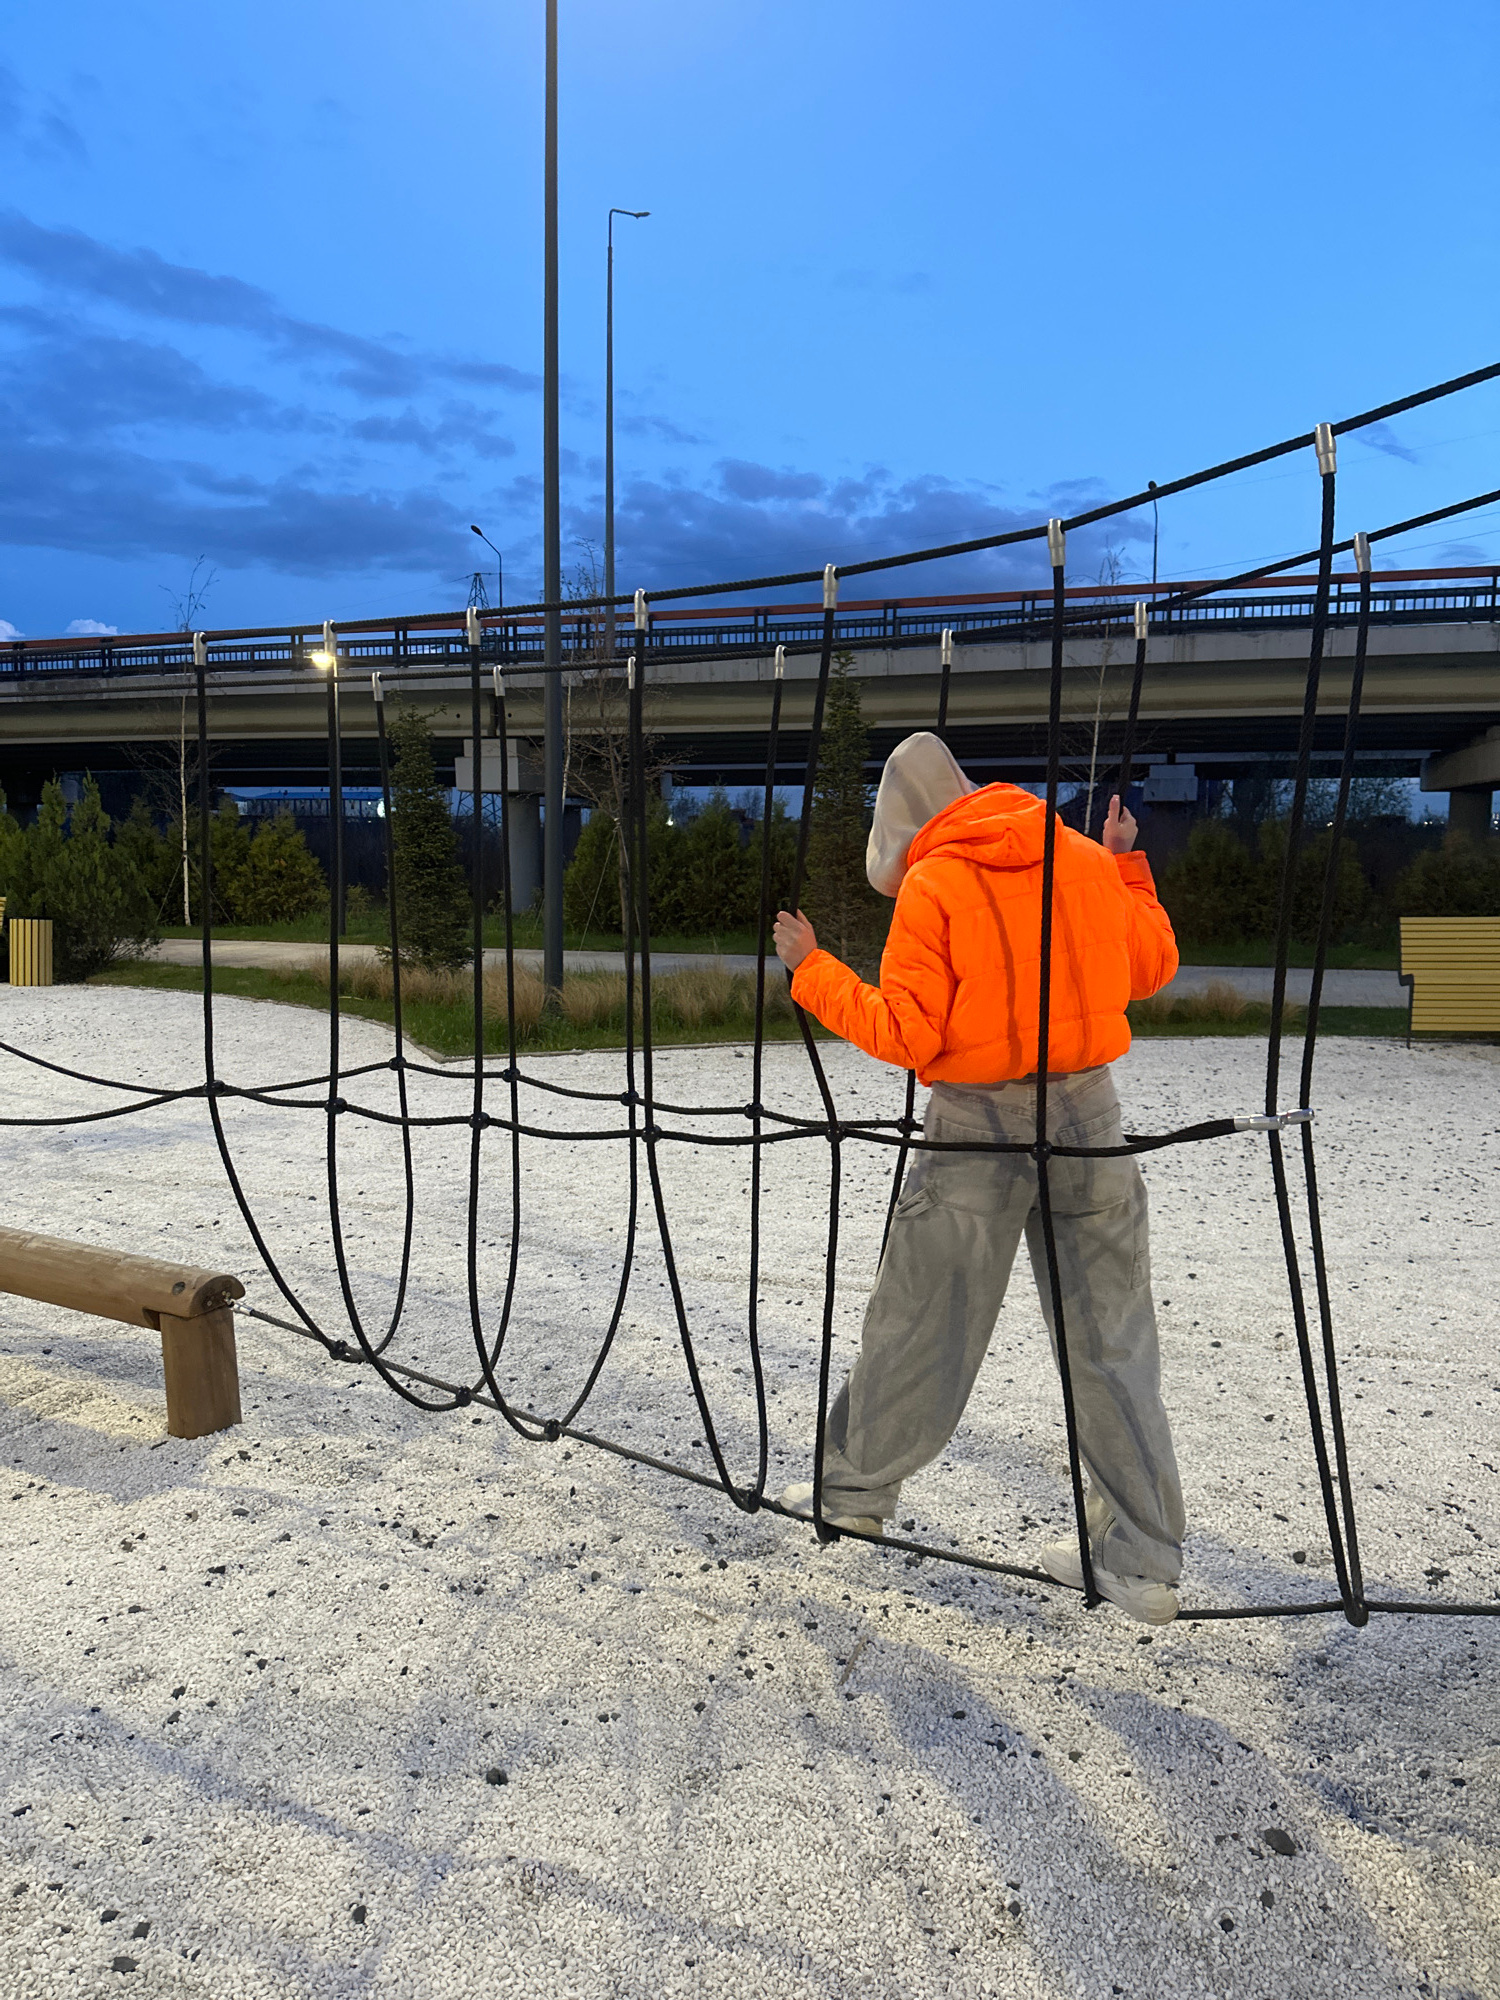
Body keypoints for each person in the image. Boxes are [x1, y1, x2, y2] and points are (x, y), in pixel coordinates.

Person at [772, 732, 1185, 1624]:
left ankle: (853, 1495)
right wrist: (1125, 864)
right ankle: (1144, 1558)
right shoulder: (1081, 859)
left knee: (923, 1318)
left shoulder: (935, 883)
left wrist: (813, 970)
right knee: (1113, 1338)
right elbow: (1152, 966)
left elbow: (908, 1034)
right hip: (1091, 1115)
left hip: (976, 1124)